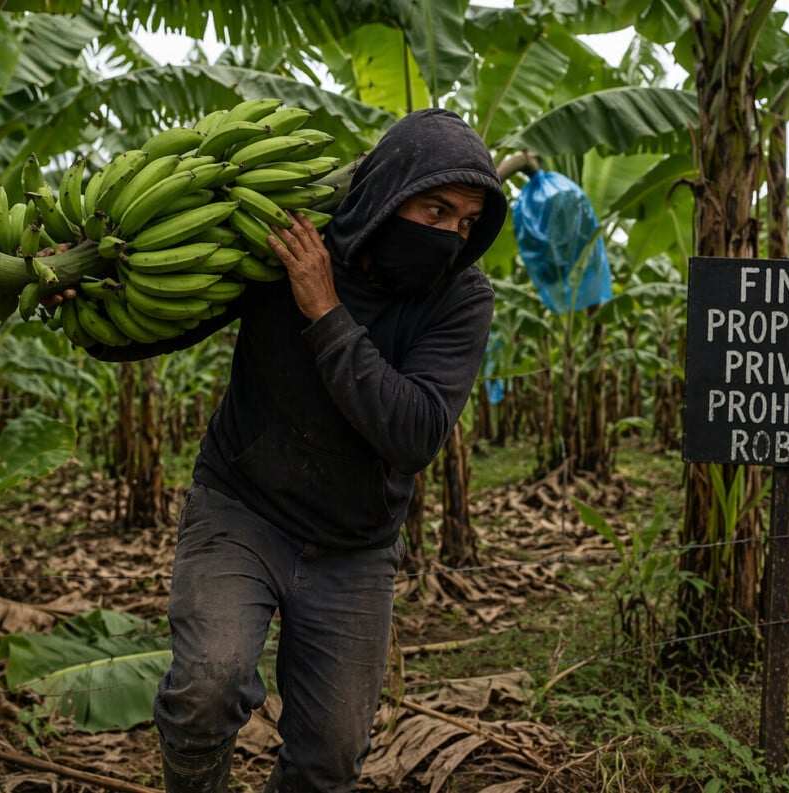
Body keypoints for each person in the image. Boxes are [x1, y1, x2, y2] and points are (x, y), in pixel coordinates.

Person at [92, 107, 506, 792]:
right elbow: (183, 306)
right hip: (242, 506)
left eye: (465, 223)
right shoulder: (293, 242)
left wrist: (325, 311)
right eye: (435, 210)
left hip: (354, 542)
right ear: (392, 190)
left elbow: (413, 432)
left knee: (331, 754)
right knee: (205, 688)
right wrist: (94, 307)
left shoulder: (459, 298)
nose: (448, 236)